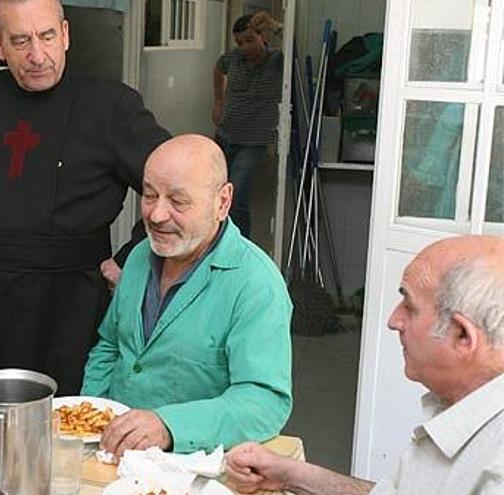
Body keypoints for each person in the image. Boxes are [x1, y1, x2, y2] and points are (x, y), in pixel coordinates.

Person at [0, 0, 170, 394]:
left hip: (74, 301)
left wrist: (134, 258)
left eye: (47, 37)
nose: (37, 55)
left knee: (70, 423)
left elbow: (172, 184)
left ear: (65, 34)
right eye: (20, 41)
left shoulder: (111, 105)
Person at [226, 235, 504, 495]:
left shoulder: (495, 470)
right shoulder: (463, 406)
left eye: (409, 306)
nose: (393, 320)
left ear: (462, 335)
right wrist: (290, 474)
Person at [81, 134, 292, 458]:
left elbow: (264, 401)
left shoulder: (256, 285)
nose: (156, 215)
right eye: (150, 195)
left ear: (223, 202)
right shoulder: (139, 257)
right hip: (111, 454)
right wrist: (92, 418)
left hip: (192, 468)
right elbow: (109, 346)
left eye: (178, 202)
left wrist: (169, 426)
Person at [213, 11, 283, 239]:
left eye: (249, 40)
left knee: (237, 196)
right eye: (240, 42)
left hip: (253, 141)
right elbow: (218, 68)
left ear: (262, 37)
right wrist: (218, 101)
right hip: (225, 135)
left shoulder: (277, 61)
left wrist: (275, 26)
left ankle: (240, 246)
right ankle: (214, 240)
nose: (245, 47)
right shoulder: (232, 58)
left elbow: (296, 53)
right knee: (214, 192)